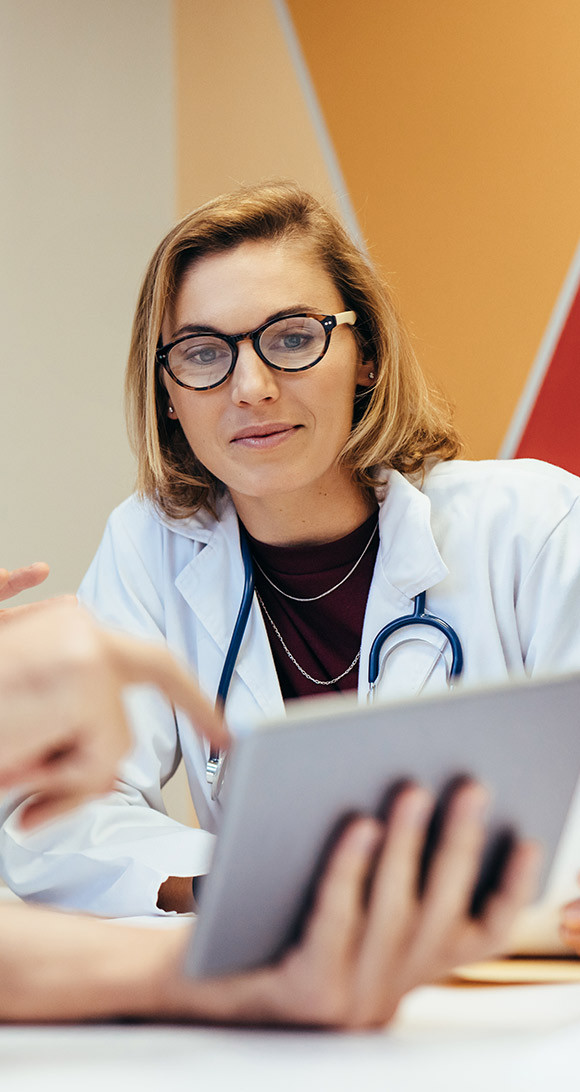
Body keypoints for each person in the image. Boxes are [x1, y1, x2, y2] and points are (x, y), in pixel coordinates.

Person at [2, 179, 580, 923]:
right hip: (285, 1003)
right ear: (169, 394)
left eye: (293, 338)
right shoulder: (151, 546)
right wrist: (252, 886)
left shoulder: (532, 523)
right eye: (203, 353)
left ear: (365, 353)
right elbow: (59, 817)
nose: (251, 387)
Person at [0, 581, 540, 1027]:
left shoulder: (531, 519)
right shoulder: (151, 540)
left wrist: (218, 971)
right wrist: (234, 912)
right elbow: (52, 827)